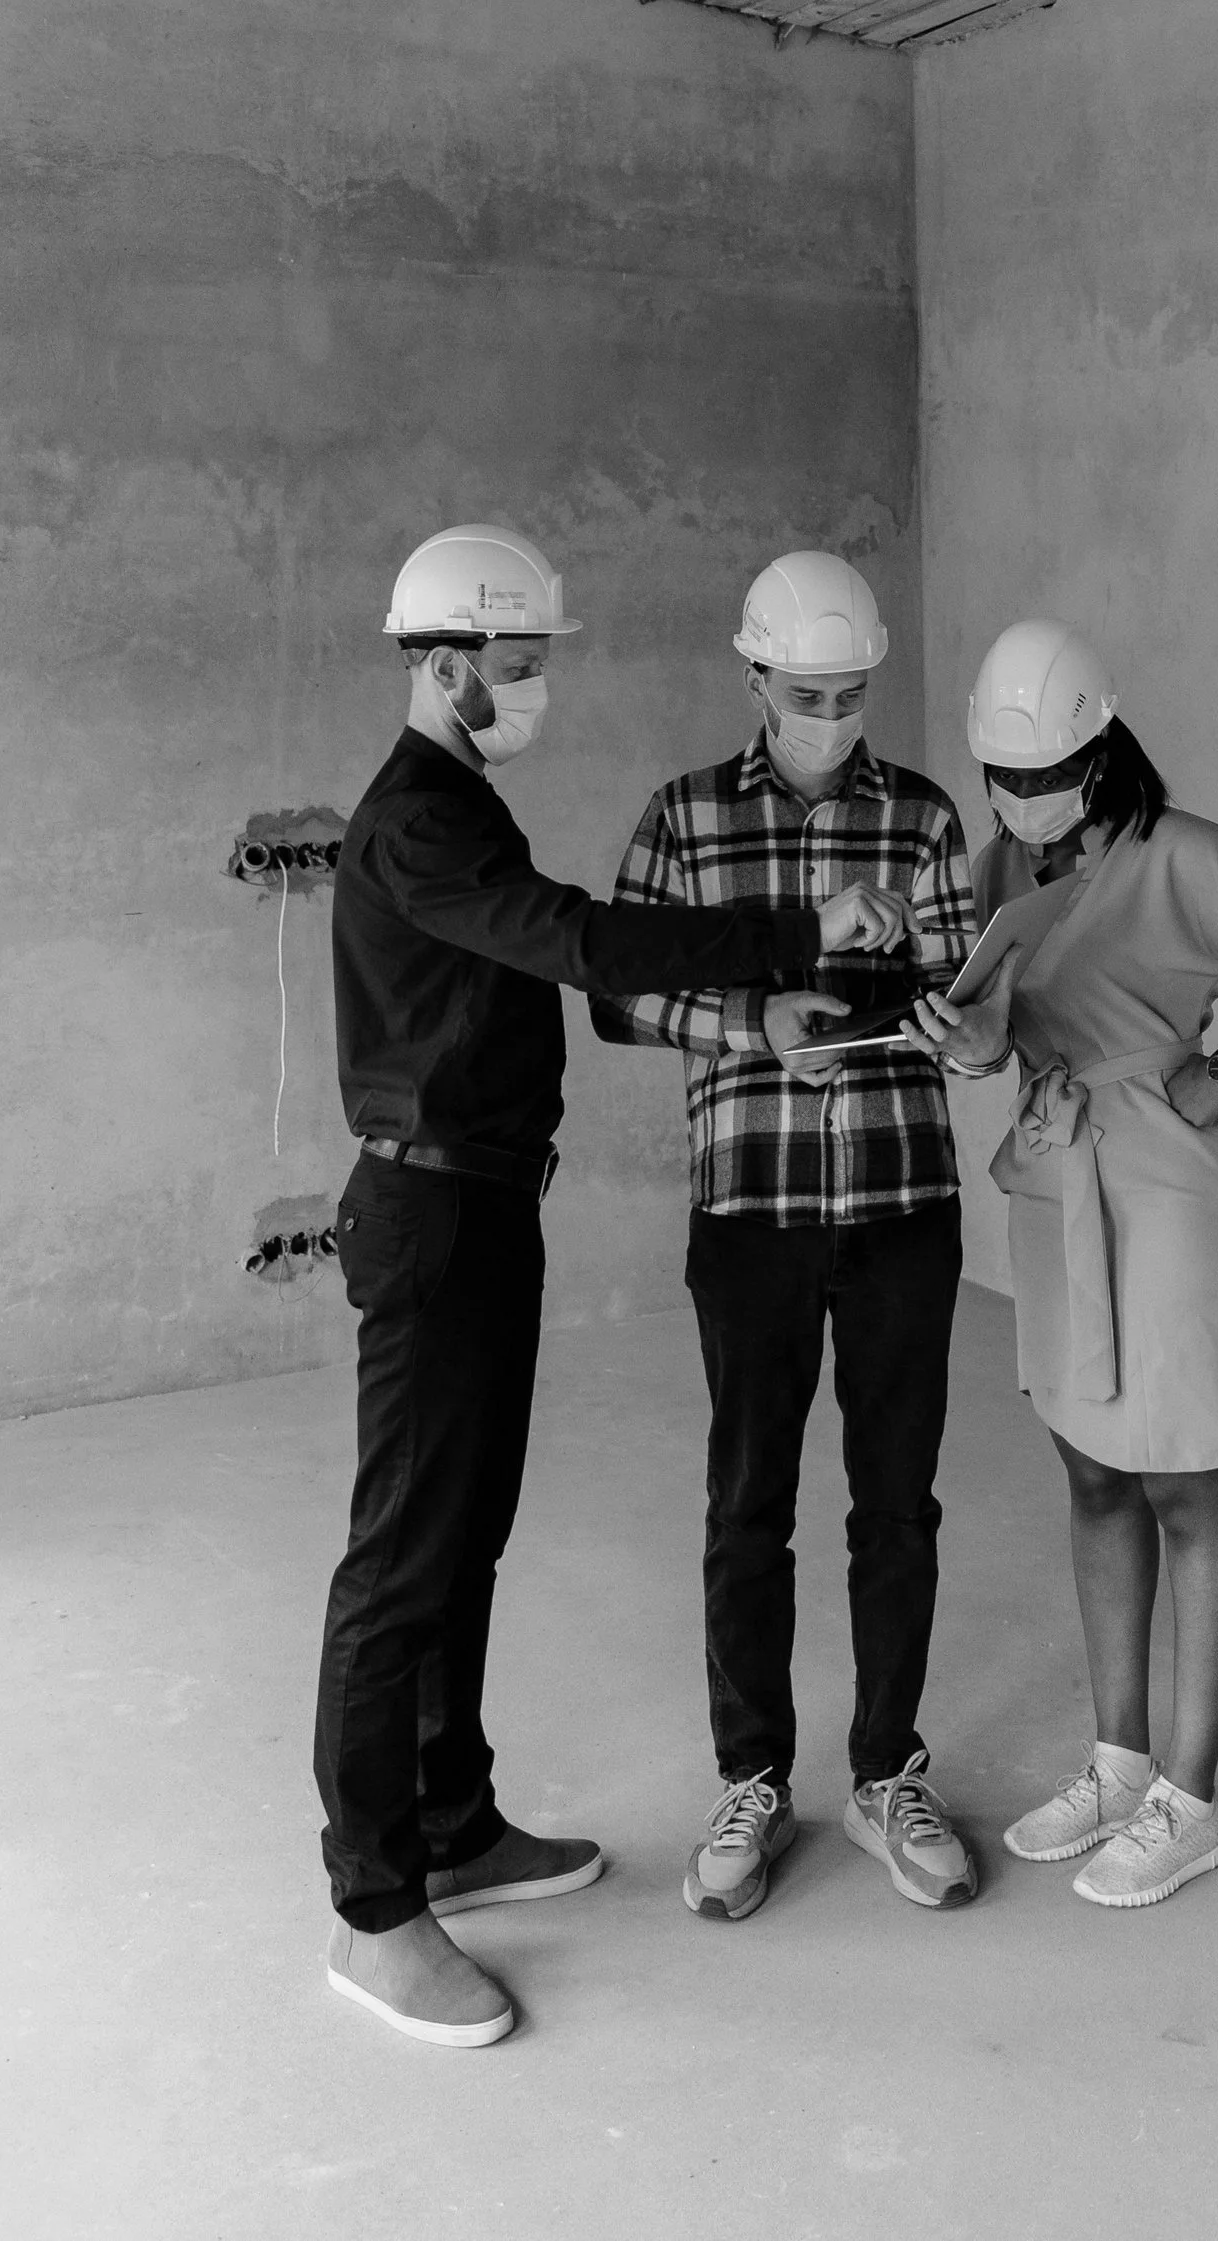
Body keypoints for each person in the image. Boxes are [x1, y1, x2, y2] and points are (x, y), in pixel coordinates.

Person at [318, 525, 913, 2048]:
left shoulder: (461, 803)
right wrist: (794, 928)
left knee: (465, 1539)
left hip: (484, 1206)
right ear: (442, 665)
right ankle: (376, 1911)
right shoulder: (420, 824)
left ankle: (455, 1820)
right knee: (402, 1562)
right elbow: (584, 945)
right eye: (517, 669)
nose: (533, 692)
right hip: (432, 1212)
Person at [907, 620, 1218, 1910]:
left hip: (1168, 1183)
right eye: (1002, 774)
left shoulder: (1183, 856)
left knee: (1188, 1479)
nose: (1021, 799)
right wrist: (962, 1034)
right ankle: (1118, 1759)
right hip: (1058, 1174)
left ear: (1101, 748)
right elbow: (1001, 1029)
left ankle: (1191, 1794)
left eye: (1044, 772)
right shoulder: (1001, 864)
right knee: (1094, 1470)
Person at [591, 551, 986, 1922]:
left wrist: (962, 1022)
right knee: (747, 1505)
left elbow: (969, 994)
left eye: (854, 690)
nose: (832, 710)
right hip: (751, 1208)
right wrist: (750, 1024)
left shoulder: (927, 820)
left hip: (898, 1207)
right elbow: (619, 995)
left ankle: (889, 1774)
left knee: (899, 1505)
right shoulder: (687, 819)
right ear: (753, 675)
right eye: (807, 689)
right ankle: (752, 1774)